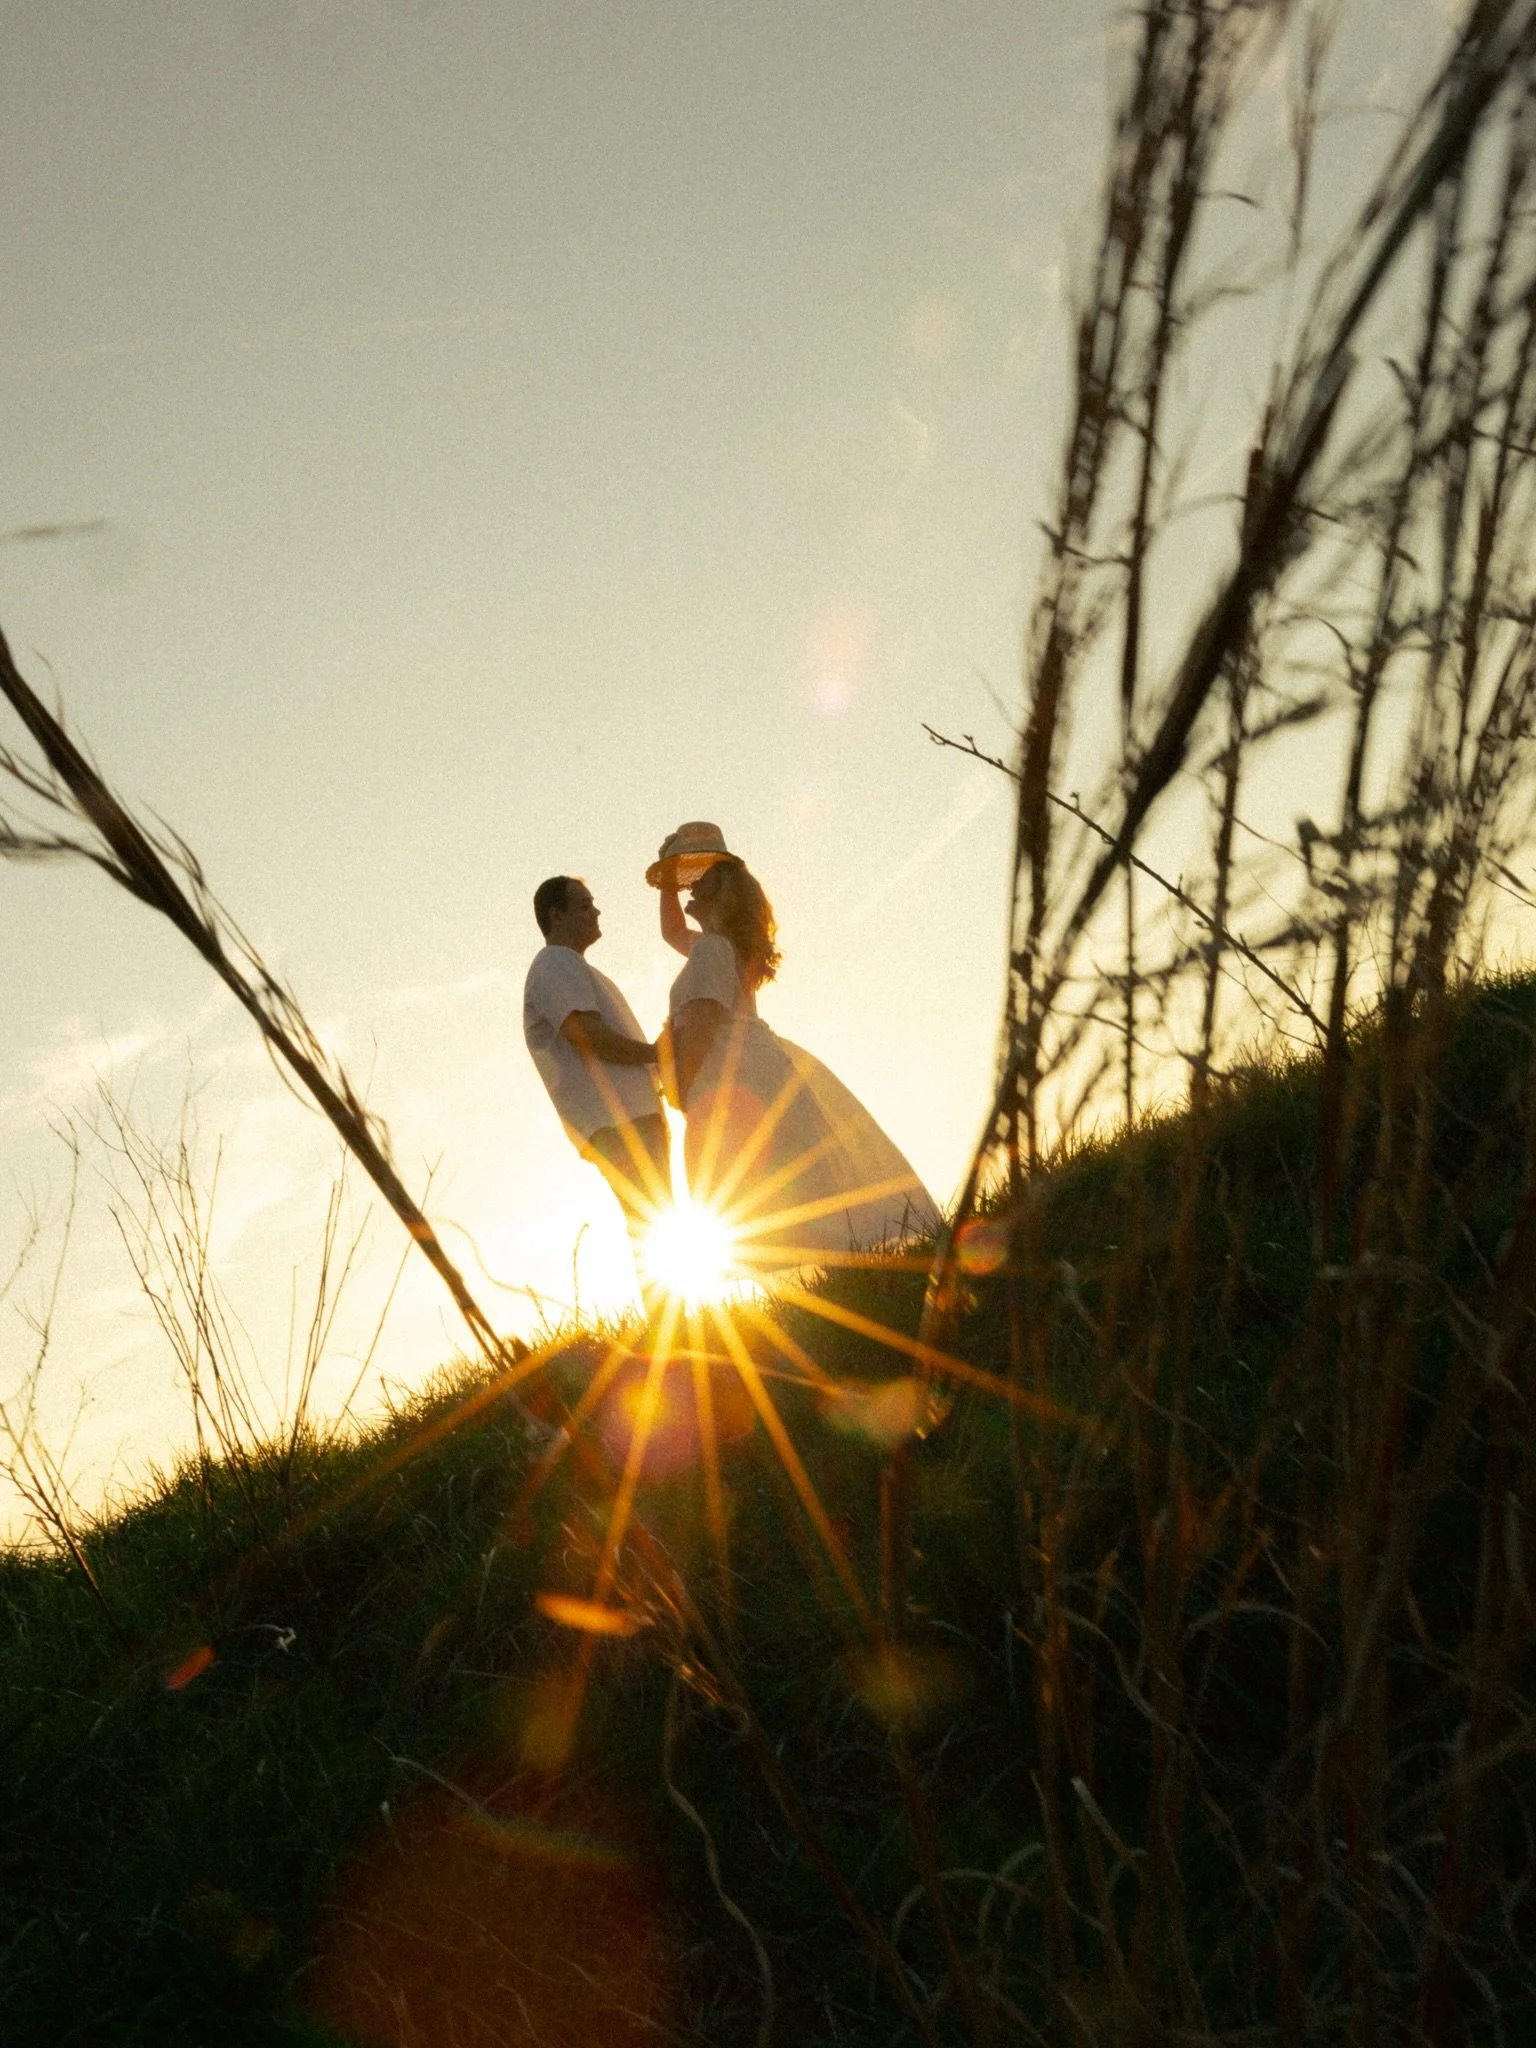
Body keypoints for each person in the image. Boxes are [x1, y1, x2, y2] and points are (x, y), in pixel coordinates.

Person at [648, 823, 940, 1273]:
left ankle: (826, 1293)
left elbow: (704, 1022)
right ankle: (842, 1280)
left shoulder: (710, 951)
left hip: (729, 1072)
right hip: (757, 1063)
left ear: (718, 892)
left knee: (746, 1186)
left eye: (698, 881)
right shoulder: (724, 947)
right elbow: (672, 931)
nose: (690, 890)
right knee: (785, 1181)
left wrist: (683, 1089)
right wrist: (667, 882)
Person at [523, 875, 671, 1288]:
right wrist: (657, 1054)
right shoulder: (556, 963)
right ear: (557, 915)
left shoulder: (577, 968)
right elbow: (587, 1037)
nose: (596, 911)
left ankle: (679, 1334)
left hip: (630, 1115)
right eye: (585, 905)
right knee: (651, 1222)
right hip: (618, 1119)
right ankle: (674, 1338)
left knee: (656, 1219)